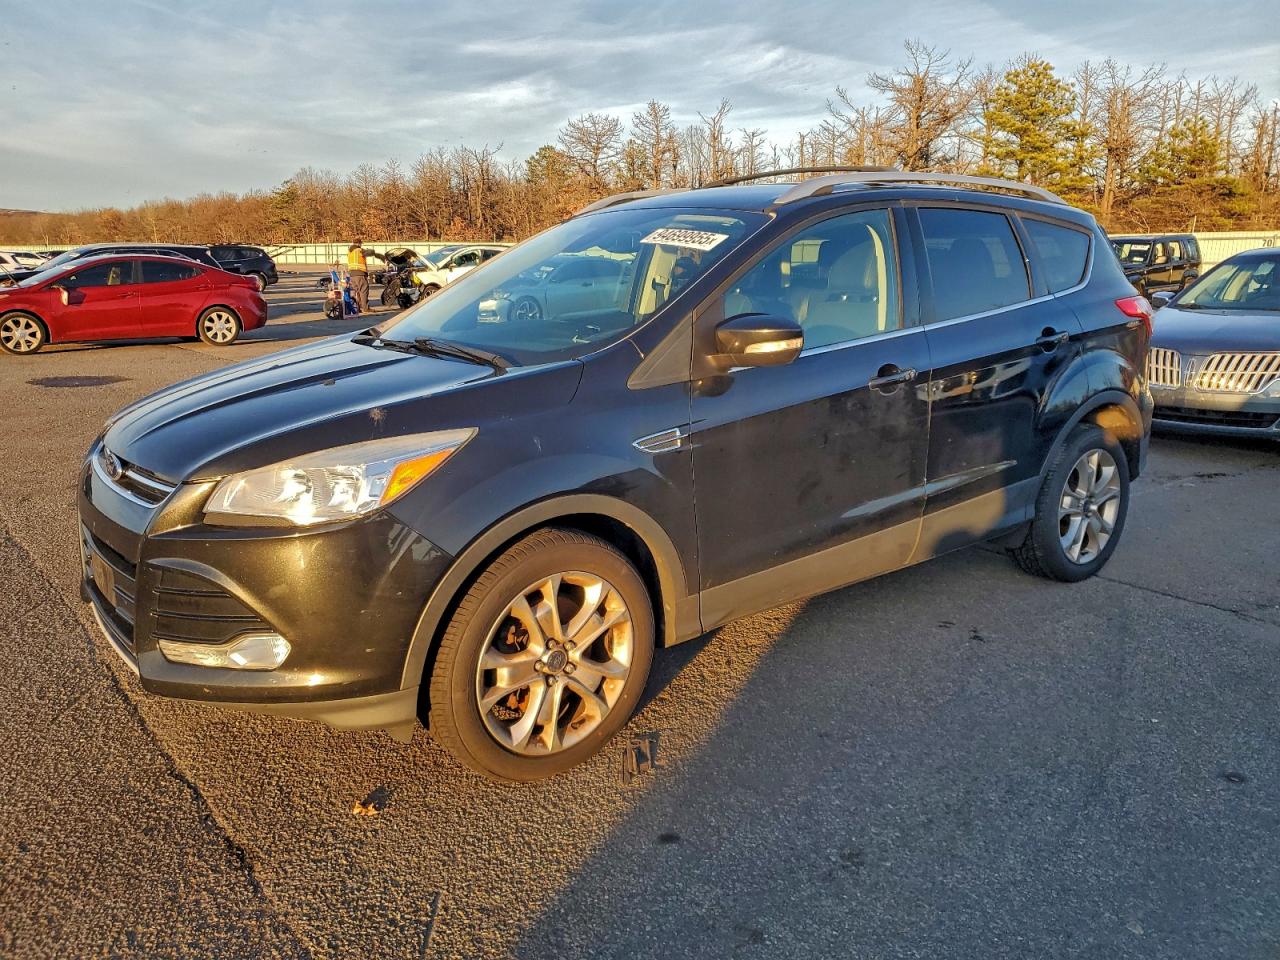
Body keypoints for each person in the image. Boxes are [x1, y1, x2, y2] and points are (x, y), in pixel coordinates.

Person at [346, 240, 384, 314]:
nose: (361, 245)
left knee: (357, 292)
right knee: (364, 291)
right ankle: (366, 308)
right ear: (358, 243)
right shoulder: (359, 250)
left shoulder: (350, 251)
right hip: (359, 274)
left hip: (352, 274)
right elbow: (368, 252)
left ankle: (358, 308)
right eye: (360, 244)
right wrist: (374, 252)